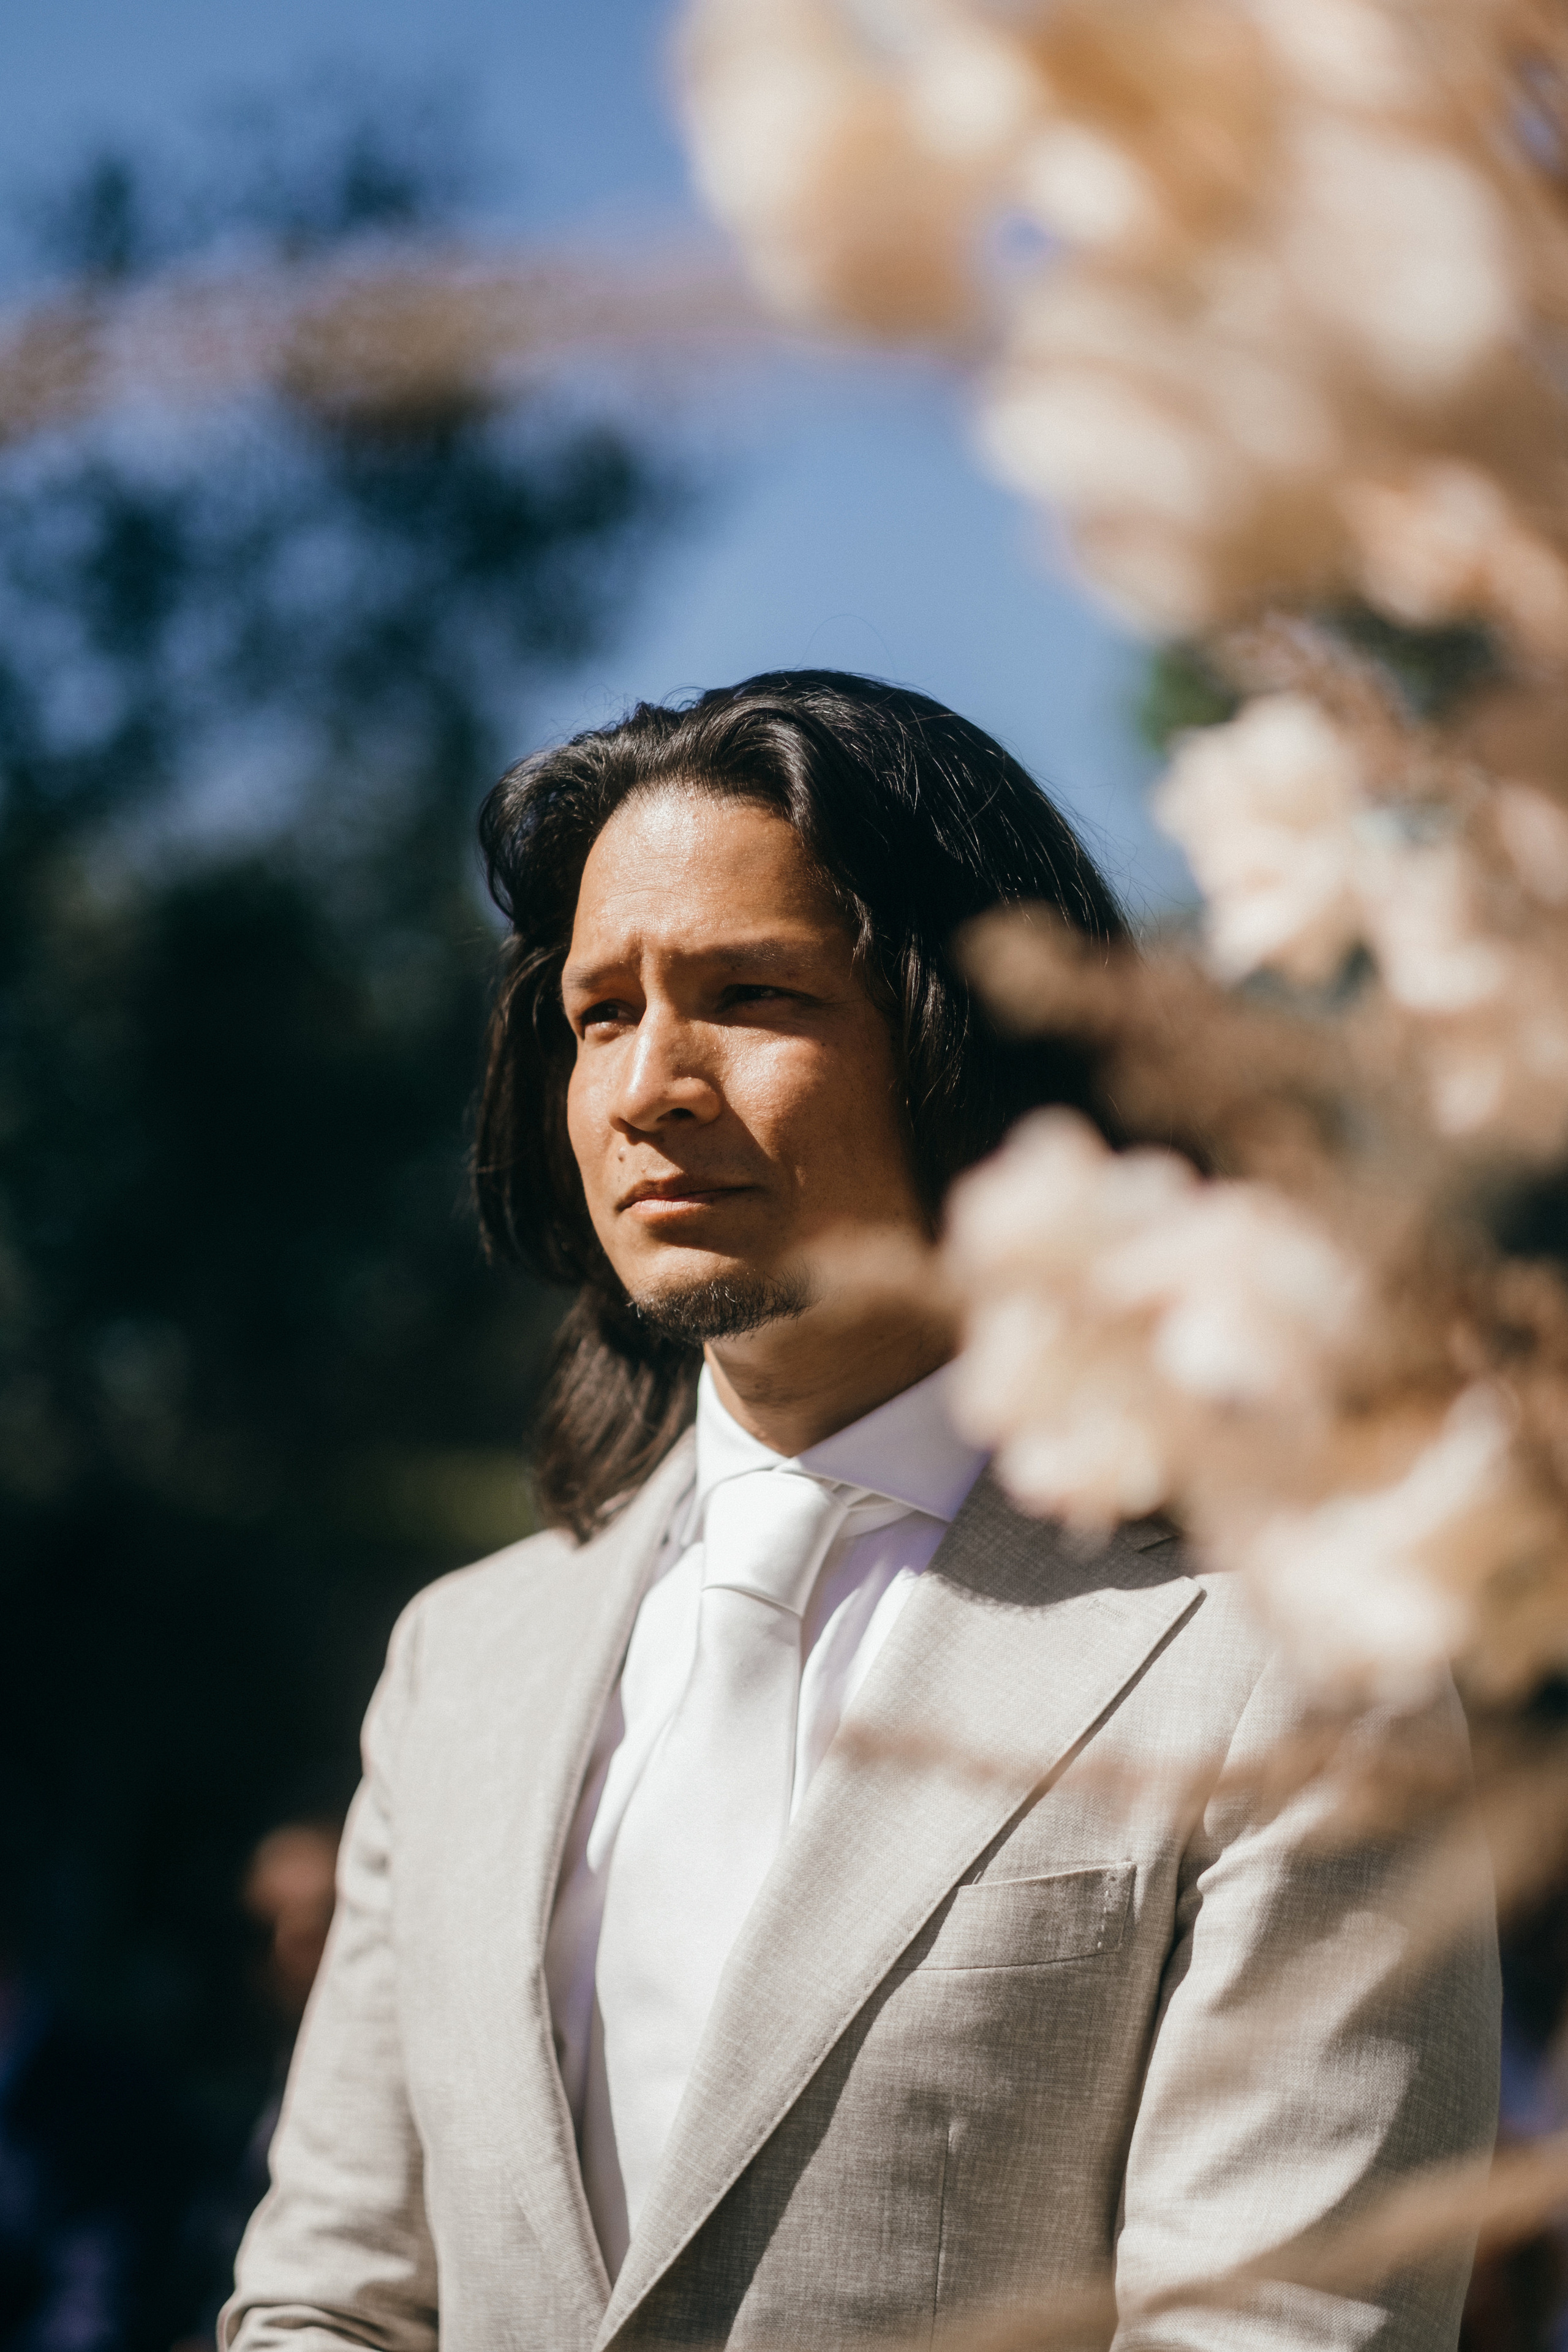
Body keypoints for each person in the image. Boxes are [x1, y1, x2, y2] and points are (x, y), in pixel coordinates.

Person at [224, 671, 1500, 2352]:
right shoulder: (461, 1663)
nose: (647, 1087)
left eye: (750, 993)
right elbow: (329, 2294)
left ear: (971, 1036)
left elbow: (1282, 2321)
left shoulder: (1290, 1657)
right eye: (601, 1013)